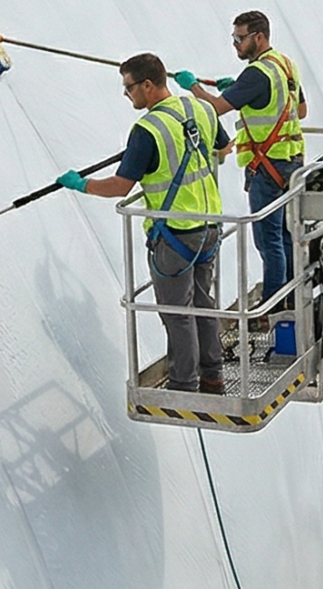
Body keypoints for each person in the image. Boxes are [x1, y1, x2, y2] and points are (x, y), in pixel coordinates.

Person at [58, 53, 230, 394]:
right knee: (203, 302)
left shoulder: (147, 130)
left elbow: (120, 187)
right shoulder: (200, 109)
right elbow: (223, 150)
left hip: (176, 236)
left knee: (176, 312)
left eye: (129, 87)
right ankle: (213, 375)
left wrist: (82, 185)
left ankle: (183, 384)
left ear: (148, 85)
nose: (126, 95)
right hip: (209, 228)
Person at [185, 11, 305, 312]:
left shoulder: (257, 74)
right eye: (234, 39)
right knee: (287, 234)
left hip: (267, 169)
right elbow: (300, 111)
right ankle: (291, 297)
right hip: (292, 162)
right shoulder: (285, 65)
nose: (236, 44)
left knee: (269, 240)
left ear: (259, 37)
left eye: (240, 39)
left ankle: (274, 307)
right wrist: (240, 90)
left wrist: (192, 87)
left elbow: (215, 108)